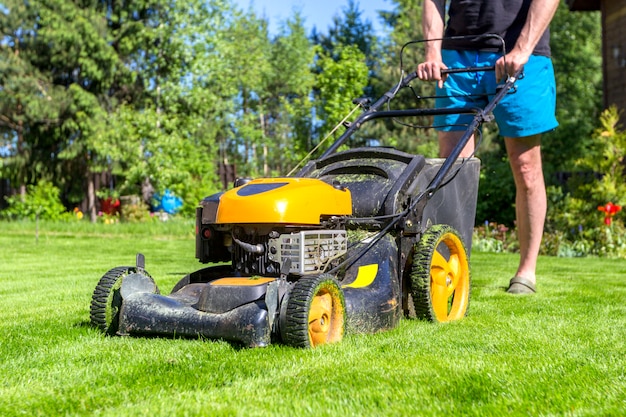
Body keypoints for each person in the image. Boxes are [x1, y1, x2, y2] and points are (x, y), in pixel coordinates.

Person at [416, 0, 560, 294]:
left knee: (526, 167)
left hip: (521, 54)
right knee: (451, 169)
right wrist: (432, 52)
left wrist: (522, 48)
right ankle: (449, 269)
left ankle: (526, 272)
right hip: (456, 57)